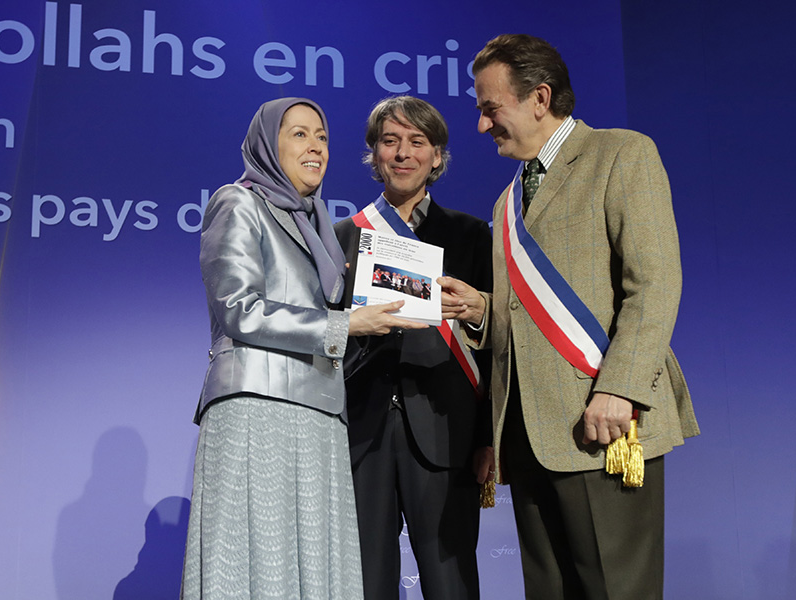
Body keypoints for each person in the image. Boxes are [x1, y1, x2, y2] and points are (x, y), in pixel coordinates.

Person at [439, 35, 700, 600]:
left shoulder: (622, 153)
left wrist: (621, 389)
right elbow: (524, 311)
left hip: (603, 424)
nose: (482, 126)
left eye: (490, 109)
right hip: (531, 438)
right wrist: (480, 310)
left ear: (539, 97)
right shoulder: (506, 202)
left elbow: (654, 284)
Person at [181, 97, 425, 600]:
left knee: (314, 568)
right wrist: (345, 323)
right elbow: (239, 309)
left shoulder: (320, 225)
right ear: (268, 143)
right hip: (258, 408)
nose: (315, 147)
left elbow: (335, 322)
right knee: (259, 562)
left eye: (322, 137)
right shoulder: (238, 202)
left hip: (319, 413)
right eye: (299, 134)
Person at [334, 96, 493, 600]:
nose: (403, 153)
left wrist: (488, 436)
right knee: (365, 581)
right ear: (374, 155)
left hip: (447, 430)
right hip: (362, 430)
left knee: (451, 583)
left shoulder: (470, 235)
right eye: (390, 141)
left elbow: (492, 347)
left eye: (417, 143)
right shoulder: (341, 237)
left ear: (437, 157)